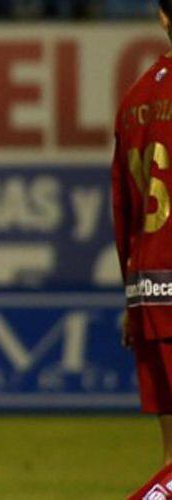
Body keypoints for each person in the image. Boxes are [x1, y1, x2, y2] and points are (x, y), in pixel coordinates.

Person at [116, 2, 172, 498]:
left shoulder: (134, 98)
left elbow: (125, 210)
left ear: (162, 16)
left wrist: (131, 295)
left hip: (152, 286)